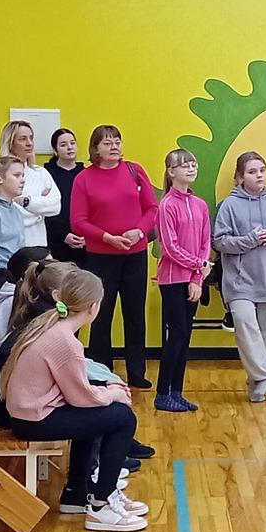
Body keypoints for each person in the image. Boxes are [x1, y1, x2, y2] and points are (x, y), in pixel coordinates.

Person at [0, 264, 148, 531]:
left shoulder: (53, 326)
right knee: (123, 418)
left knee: (97, 416)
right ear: (93, 307)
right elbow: (81, 397)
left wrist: (107, 390)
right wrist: (112, 394)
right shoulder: (65, 341)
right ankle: (101, 506)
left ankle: (77, 493)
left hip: (27, 414)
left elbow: (78, 392)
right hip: (33, 419)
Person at [70, 125, 159, 388]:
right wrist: (107, 237)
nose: (114, 146)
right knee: (100, 314)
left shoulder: (135, 170)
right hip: (101, 257)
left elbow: (152, 208)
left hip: (135, 255)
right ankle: (101, 372)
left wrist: (139, 231)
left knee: (135, 313)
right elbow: (78, 221)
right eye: (107, 143)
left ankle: (136, 372)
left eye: (117, 141)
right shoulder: (84, 179)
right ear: (95, 149)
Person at [212, 151, 266, 403]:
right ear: (240, 177)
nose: (259, 175)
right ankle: (265, 372)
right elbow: (220, 242)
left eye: (262, 170)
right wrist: (249, 240)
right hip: (239, 282)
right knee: (245, 327)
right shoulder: (229, 206)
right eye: (252, 171)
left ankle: (258, 389)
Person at [152, 149, 210, 413]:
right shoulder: (167, 205)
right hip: (172, 280)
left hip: (194, 279)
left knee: (185, 336)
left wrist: (197, 277)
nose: (191, 168)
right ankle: (162, 393)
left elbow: (205, 243)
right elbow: (170, 248)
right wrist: (198, 265)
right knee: (175, 335)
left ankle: (177, 391)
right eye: (184, 164)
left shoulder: (200, 205)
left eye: (193, 163)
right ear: (171, 171)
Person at [1, 120, 63, 249]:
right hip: (10, 246)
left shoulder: (40, 172)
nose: (29, 143)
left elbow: (56, 206)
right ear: (10, 143)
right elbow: (7, 212)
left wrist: (28, 202)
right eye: (23, 139)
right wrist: (39, 213)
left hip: (38, 244)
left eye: (31, 138)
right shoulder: (0, 174)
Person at [44, 127, 87, 263]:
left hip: (84, 240)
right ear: (55, 150)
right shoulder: (46, 174)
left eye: (72, 143)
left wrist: (87, 235)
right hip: (55, 241)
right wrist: (63, 235)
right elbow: (45, 210)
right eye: (63, 145)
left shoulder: (85, 174)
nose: (69, 147)